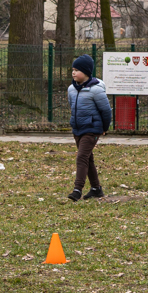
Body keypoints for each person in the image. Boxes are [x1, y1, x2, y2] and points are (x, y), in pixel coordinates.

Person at [66, 55, 111, 201]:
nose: (73, 73)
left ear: (86, 72)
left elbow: (106, 111)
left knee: (81, 157)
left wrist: (104, 128)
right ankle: (96, 189)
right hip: (78, 128)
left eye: (77, 70)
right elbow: (72, 106)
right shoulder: (71, 89)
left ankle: (77, 190)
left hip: (92, 129)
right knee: (87, 158)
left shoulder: (96, 90)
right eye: (73, 69)